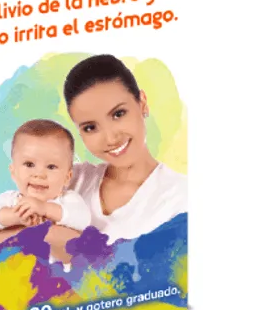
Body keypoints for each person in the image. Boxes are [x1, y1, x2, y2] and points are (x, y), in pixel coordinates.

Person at [62, 54, 187, 242]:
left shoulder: (180, 196)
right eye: (90, 127)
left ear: (142, 103)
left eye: (118, 114)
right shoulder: (70, 180)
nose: (111, 138)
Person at [0, 120, 90, 268]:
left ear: (67, 177)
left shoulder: (67, 200)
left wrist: (45, 208)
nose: (39, 174)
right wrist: (16, 216)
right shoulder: (10, 200)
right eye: (29, 164)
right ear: (13, 172)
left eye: (51, 167)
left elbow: (83, 220)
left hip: (56, 275)